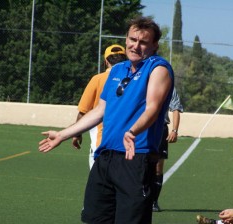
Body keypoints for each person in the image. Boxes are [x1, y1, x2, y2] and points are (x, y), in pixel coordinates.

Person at [38, 16, 174, 224]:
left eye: (143, 42)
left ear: (154, 45)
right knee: (95, 219)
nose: (135, 45)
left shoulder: (158, 68)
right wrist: (65, 134)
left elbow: (152, 108)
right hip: (105, 157)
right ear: (126, 39)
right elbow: (100, 110)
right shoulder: (117, 70)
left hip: (135, 158)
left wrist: (133, 131)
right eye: (132, 39)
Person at [72, 44, 126, 169]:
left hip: (101, 144)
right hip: (125, 144)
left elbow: (83, 111)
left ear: (106, 61)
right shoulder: (132, 79)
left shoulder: (97, 79)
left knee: (98, 186)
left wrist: (77, 134)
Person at [152, 87, 183, 212]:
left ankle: (154, 201)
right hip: (143, 127)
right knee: (139, 163)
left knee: (158, 168)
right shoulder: (142, 78)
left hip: (161, 129)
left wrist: (175, 130)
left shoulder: (169, 86)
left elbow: (175, 108)